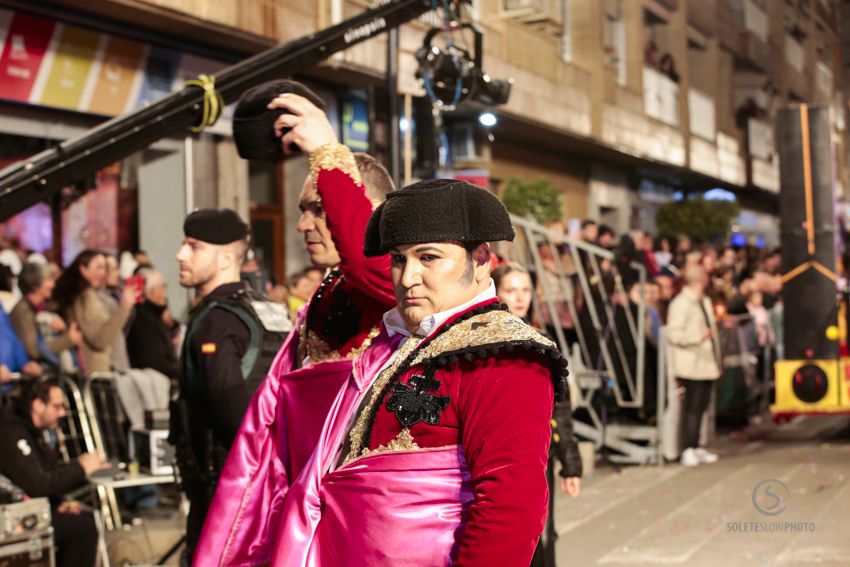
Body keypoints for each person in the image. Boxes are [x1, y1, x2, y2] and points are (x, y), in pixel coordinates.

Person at [269, 179, 569, 566]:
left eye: (428, 258)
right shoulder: (395, 341)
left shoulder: (505, 358)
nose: (408, 277)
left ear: (480, 260)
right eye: (399, 259)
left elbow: (509, 509)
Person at [196, 79, 396, 566]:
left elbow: (369, 261)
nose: (304, 224)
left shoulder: (393, 286)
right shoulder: (327, 290)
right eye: (303, 211)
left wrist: (328, 150)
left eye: (318, 209)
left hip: (356, 519)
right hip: (299, 509)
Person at [170, 207, 291, 563]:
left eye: (193, 246)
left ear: (225, 257)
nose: (181, 255)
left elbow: (227, 396)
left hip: (225, 486)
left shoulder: (216, 320)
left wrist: (246, 471)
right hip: (272, 479)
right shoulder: (266, 308)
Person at [493, 262, 581, 567]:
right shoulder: (482, 342)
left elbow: (561, 404)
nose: (519, 298)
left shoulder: (542, 342)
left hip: (540, 455)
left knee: (542, 536)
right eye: (511, 290)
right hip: (497, 459)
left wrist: (570, 463)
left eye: (525, 290)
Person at [0, 378, 108, 567]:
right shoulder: (12, 432)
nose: (62, 413)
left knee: (83, 519)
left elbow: (42, 477)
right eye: (57, 407)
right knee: (83, 529)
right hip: (9, 517)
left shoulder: (33, 432)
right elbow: (38, 484)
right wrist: (82, 468)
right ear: (38, 404)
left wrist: (58, 502)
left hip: (29, 509)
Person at [666, 265, 721, 467]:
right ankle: (688, 447)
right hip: (691, 364)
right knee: (692, 407)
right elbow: (674, 333)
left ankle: (696, 446)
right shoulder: (681, 304)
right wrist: (697, 338)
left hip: (706, 362)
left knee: (702, 406)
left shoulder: (703, 301)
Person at [53, 250, 139, 374]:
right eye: (99, 267)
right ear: (83, 269)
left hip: (102, 369)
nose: (103, 272)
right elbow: (101, 340)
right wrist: (124, 306)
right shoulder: (85, 299)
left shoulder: (92, 296)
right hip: (99, 372)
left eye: (105, 267)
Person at [10, 262, 82, 372]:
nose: (53, 284)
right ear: (35, 285)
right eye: (48, 280)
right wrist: (68, 339)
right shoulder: (23, 311)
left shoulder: (43, 308)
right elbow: (33, 350)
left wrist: (63, 329)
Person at [126, 267, 179, 382]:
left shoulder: (153, 316)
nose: (165, 290)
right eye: (162, 286)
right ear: (151, 291)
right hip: (155, 385)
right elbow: (155, 362)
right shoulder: (144, 319)